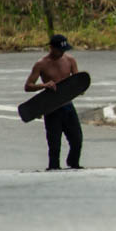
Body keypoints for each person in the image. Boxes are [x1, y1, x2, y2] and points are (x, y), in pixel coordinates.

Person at [25, 34, 84, 170]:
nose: (62, 53)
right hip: (51, 108)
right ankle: (53, 166)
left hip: (68, 106)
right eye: (59, 50)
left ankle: (73, 163)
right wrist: (44, 86)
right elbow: (28, 86)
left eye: (64, 50)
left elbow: (77, 80)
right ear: (51, 48)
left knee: (77, 140)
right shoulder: (41, 64)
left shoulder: (70, 60)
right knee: (54, 143)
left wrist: (79, 89)